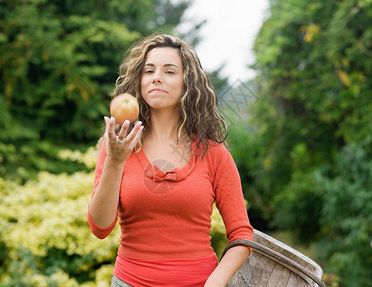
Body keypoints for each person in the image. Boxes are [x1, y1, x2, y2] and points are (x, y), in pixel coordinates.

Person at [87, 33, 253, 287]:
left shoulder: (214, 154)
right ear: (139, 81)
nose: (156, 77)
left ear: (187, 83)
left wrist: (215, 282)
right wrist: (115, 161)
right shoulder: (118, 147)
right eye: (149, 70)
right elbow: (100, 228)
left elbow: (242, 235)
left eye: (170, 71)